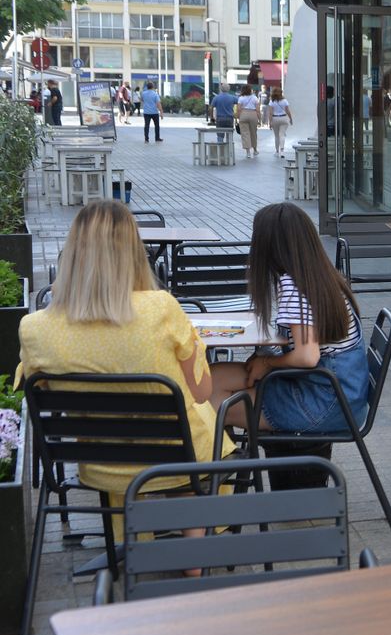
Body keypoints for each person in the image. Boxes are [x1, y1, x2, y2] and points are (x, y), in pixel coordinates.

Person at [17, 200, 232, 535]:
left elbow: (41, 392)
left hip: (102, 466)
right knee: (201, 423)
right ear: (134, 252)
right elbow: (203, 391)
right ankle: (194, 550)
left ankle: (132, 542)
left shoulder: (35, 328)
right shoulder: (159, 308)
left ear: (72, 254)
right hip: (177, 461)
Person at [209, 204, 369, 433]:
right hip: (340, 396)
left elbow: (307, 356)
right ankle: (228, 458)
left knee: (210, 405)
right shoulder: (320, 276)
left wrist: (267, 363)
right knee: (211, 378)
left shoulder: (295, 286)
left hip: (323, 404)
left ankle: (222, 463)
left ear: (268, 245)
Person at [236, 86, 262, 157]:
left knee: (245, 133)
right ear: (250, 90)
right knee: (253, 133)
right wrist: (259, 119)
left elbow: (238, 109)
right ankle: (255, 150)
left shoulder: (241, 98)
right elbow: (258, 110)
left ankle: (248, 152)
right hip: (253, 114)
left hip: (243, 114)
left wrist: (238, 117)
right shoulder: (255, 98)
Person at [267, 86, 293, 156]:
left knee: (276, 136)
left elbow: (270, 113)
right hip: (284, 118)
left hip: (275, 118)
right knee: (282, 135)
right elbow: (288, 111)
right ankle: (282, 151)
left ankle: (277, 151)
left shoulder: (271, 101)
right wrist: (290, 119)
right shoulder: (285, 101)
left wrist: (270, 122)